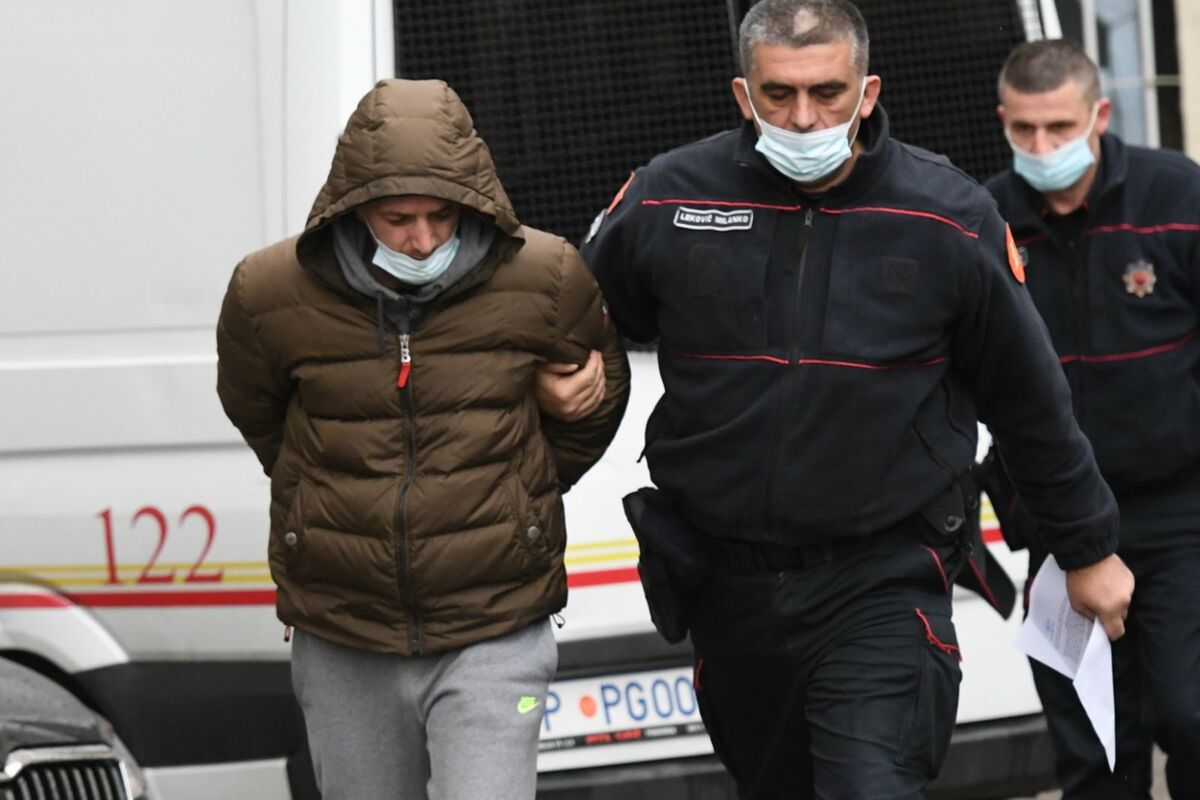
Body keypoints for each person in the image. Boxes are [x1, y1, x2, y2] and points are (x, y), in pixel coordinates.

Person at [575, 1, 1134, 796]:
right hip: (729, 587)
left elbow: (1029, 400)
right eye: (779, 95)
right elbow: (572, 321)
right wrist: (572, 377)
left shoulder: (946, 215)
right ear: (742, 95)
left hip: (882, 577)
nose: (804, 118)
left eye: (828, 93)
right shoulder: (669, 199)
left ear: (868, 92)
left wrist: (1087, 546)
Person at [216, 78, 629, 800]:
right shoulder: (268, 290)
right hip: (344, 628)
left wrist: (514, 495)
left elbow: (601, 391)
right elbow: (257, 411)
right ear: (352, 204)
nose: (424, 238)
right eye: (398, 218)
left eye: (442, 214)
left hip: (495, 623)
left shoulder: (545, 274)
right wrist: (326, 499)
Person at [985, 39, 1200, 799]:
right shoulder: (983, 222)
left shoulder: (1178, 198)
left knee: (1191, 715)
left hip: (1179, 513)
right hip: (1057, 521)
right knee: (1096, 753)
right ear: (1003, 121)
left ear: (1100, 115)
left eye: (1060, 128)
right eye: (1025, 130)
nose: (1042, 147)